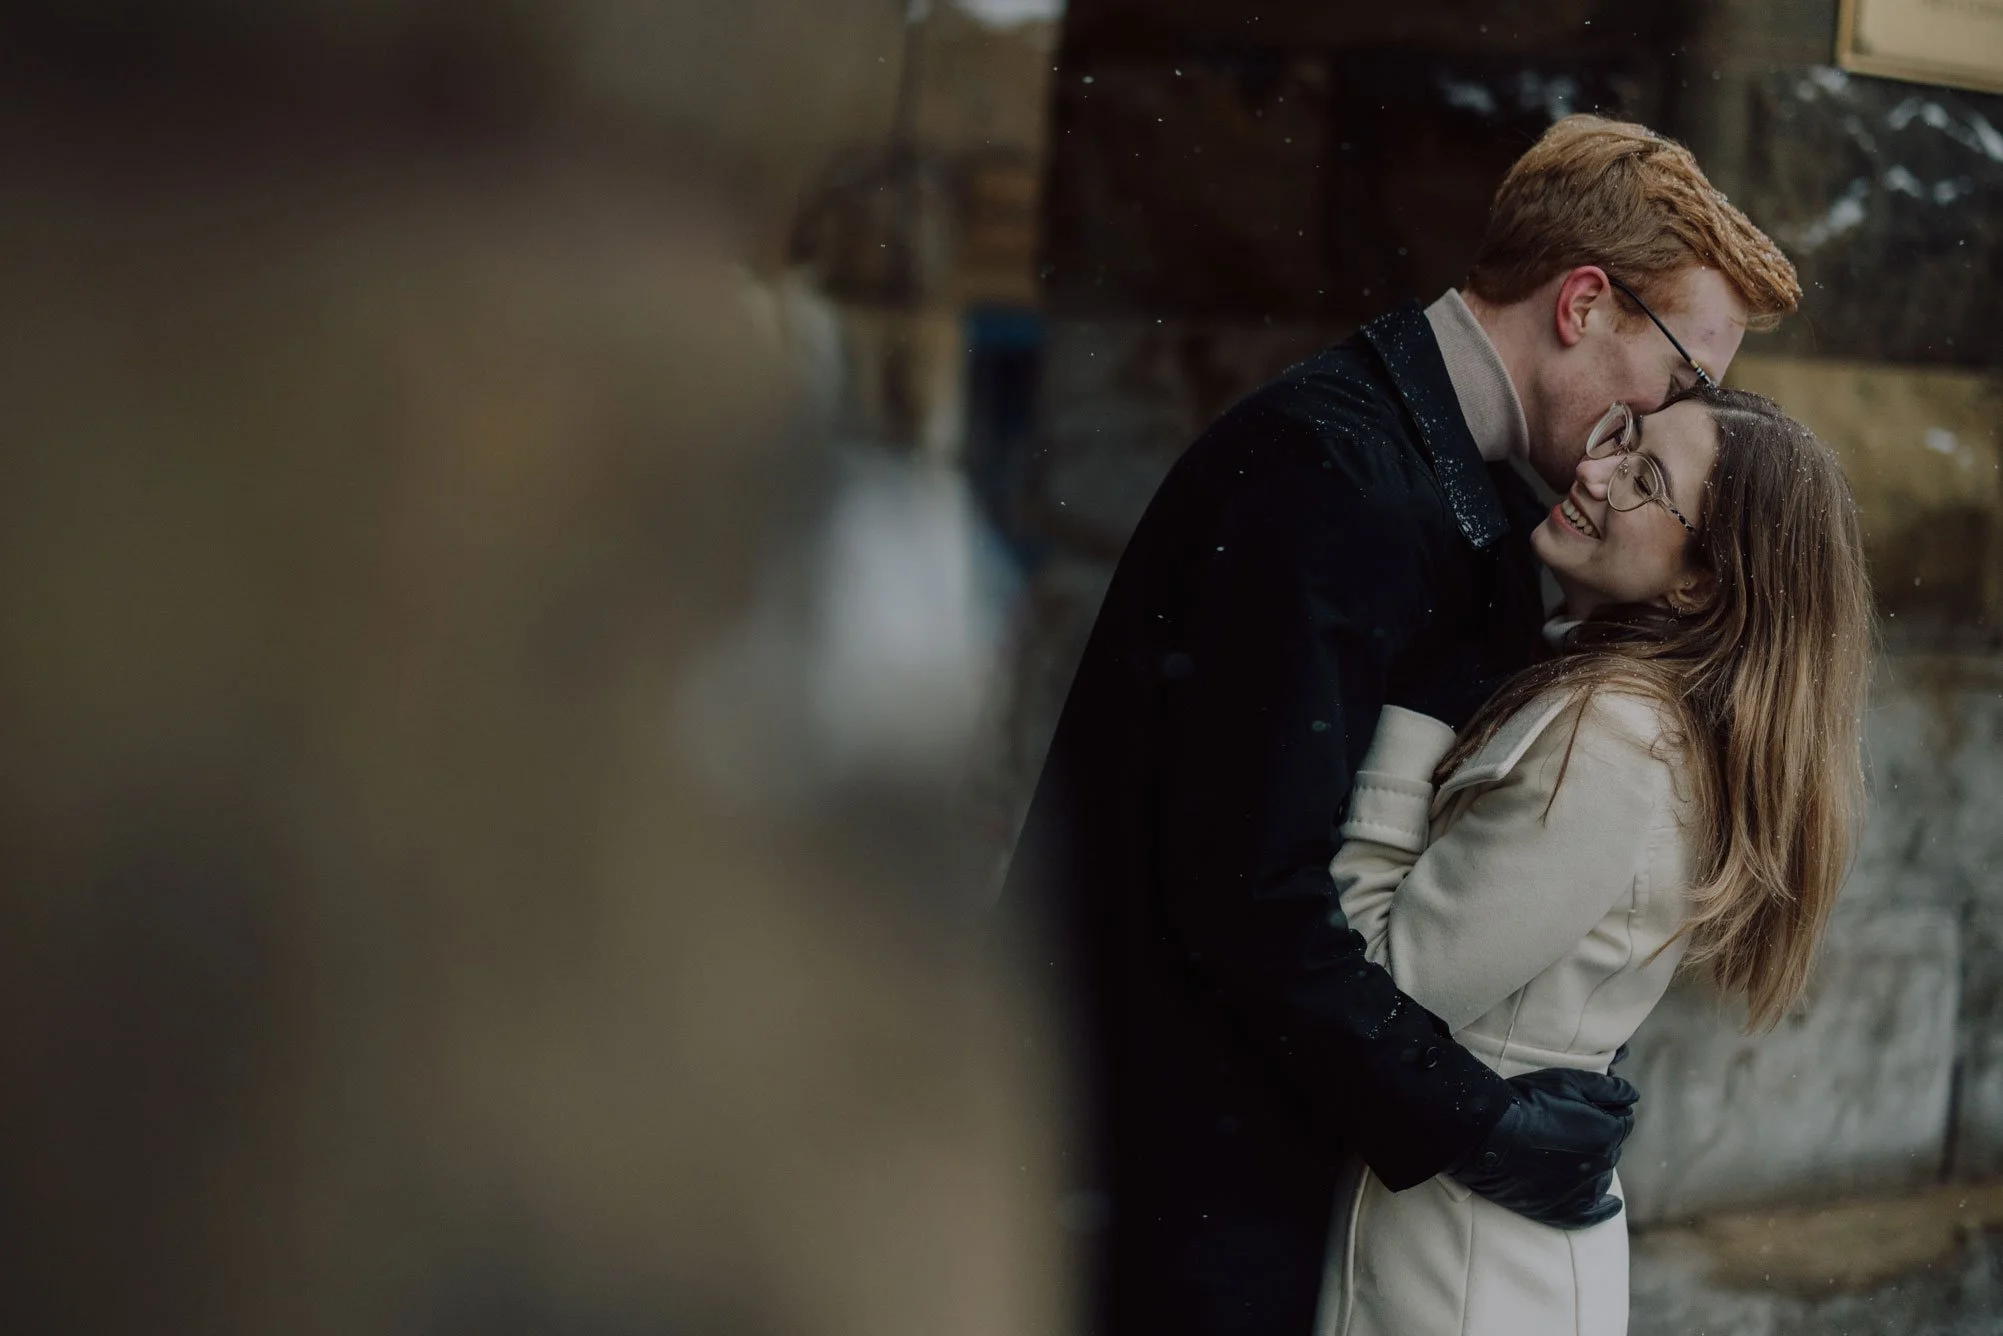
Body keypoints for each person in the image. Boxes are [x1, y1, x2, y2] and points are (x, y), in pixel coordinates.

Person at [994, 115, 1802, 1334]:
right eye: (1686, 379)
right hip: (1154, 1178)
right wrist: (1483, 1125)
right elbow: (1248, 901)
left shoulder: (1443, 477)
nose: (1683, 419)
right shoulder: (1332, 469)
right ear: (1584, 303)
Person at [1319, 387, 1872, 1334]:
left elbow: (1385, 992)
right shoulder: (1639, 711)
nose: (1593, 469)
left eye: (1645, 476)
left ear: (1699, 582)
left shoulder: (1614, 736)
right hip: (1474, 1247)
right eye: (1622, 437)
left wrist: (1413, 722)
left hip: (1462, 1277)